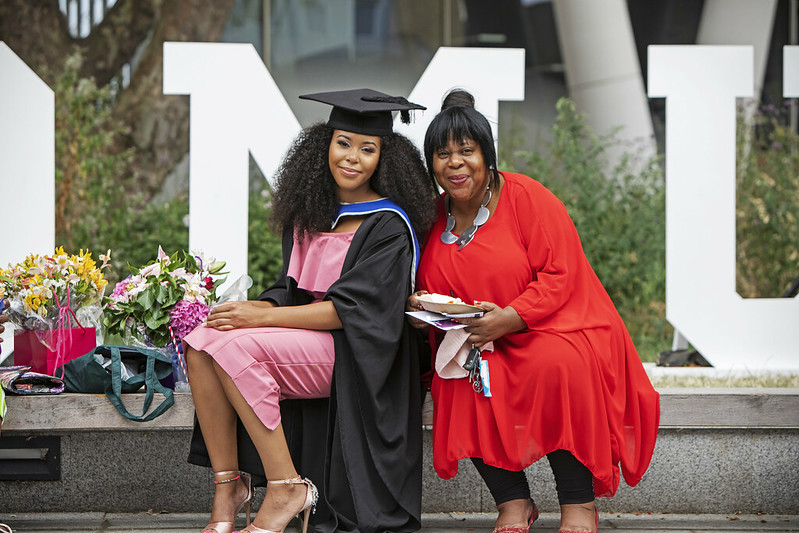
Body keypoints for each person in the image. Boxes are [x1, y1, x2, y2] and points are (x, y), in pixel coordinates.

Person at [183, 88, 438, 533]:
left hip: (359, 356)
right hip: (306, 344)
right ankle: (229, 486)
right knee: (201, 343)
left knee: (235, 349)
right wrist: (255, 305)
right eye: (343, 143)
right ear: (324, 145)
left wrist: (260, 318)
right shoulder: (314, 215)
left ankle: (286, 487)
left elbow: (348, 312)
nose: (352, 157)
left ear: (385, 158)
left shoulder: (388, 225)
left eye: (367, 148)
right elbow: (293, 290)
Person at [408, 89, 660, 533]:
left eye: (467, 150)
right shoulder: (431, 215)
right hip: (474, 337)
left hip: (550, 326)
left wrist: (509, 318)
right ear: (432, 163)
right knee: (457, 380)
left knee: (557, 367)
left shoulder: (527, 197)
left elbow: (561, 273)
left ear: (487, 155)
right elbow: (423, 283)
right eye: (443, 153)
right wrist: (421, 304)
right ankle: (513, 500)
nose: (455, 163)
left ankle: (579, 504)